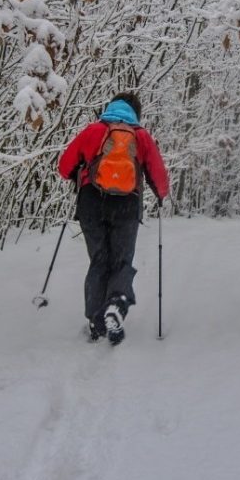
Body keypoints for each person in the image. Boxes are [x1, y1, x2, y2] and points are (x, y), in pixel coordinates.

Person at [57, 92, 169, 345]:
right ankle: (116, 305)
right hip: (127, 205)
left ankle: (96, 322)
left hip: (90, 203)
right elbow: (159, 176)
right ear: (135, 113)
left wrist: (80, 172)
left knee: (99, 260)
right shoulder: (140, 136)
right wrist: (160, 195)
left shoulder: (93, 131)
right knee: (121, 260)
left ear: (109, 108)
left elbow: (64, 166)